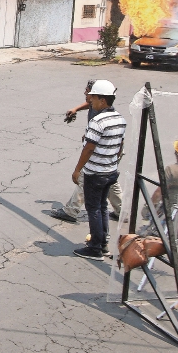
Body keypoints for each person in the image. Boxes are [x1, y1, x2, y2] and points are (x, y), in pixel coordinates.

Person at [48, 79, 123, 223]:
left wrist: (78, 168)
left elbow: (90, 147)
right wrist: (76, 109)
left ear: (98, 97)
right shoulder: (99, 105)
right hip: (109, 150)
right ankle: (122, 211)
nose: (85, 93)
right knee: (110, 181)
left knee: (85, 178)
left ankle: (71, 211)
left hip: (102, 150)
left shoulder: (99, 111)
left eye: (88, 92)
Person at [71, 80, 127, 261]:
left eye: (93, 98)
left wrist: (77, 169)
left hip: (95, 173)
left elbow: (89, 148)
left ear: (103, 100)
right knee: (103, 207)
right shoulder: (120, 119)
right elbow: (120, 146)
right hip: (111, 171)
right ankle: (103, 244)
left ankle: (95, 248)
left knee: (93, 208)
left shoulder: (98, 121)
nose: (91, 101)